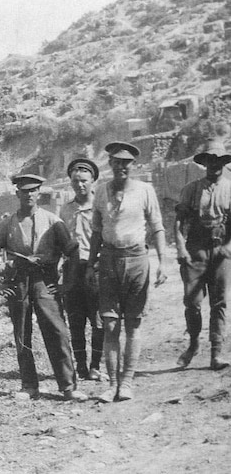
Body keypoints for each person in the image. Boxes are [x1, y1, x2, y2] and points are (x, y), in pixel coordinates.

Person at [0, 174, 86, 401]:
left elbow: (73, 252)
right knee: (21, 333)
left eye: (33, 190)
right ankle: (29, 386)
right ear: (17, 193)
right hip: (19, 281)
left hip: (45, 280)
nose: (28, 195)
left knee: (57, 331)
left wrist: (67, 283)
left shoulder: (52, 221)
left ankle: (68, 386)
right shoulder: (8, 224)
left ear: (39, 192)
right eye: (24, 191)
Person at [88, 142, 168, 403]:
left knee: (133, 323)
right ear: (110, 164)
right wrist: (91, 265)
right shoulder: (100, 191)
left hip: (137, 260)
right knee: (110, 324)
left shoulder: (145, 190)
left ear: (133, 166)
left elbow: (157, 227)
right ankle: (112, 384)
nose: (121, 167)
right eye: (116, 162)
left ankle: (128, 382)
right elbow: (97, 233)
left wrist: (162, 263)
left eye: (127, 163)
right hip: (109, 261)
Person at [174, 138, 231, 370]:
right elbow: (178, 222)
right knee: (192, 302)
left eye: (218, 160)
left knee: (219, 302)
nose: (214, 164)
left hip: (221, 248)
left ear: (225, 163)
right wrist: (179, 247)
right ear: (204, 162)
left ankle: (216, 352)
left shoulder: (230, 188)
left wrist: (228, 247)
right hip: (195, 248)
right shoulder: (191, 189)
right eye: (210, 160)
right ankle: (194, 344)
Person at [60, 158, 104, 381]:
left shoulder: (100, 205)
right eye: (75, 181)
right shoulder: (65, 209)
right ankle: (81, 367)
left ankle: (96, 365)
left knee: (98, 319)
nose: (80, 185)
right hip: (72, 270)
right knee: (75, 319)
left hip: (95, 268)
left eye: (84, 180)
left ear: (93, 181)